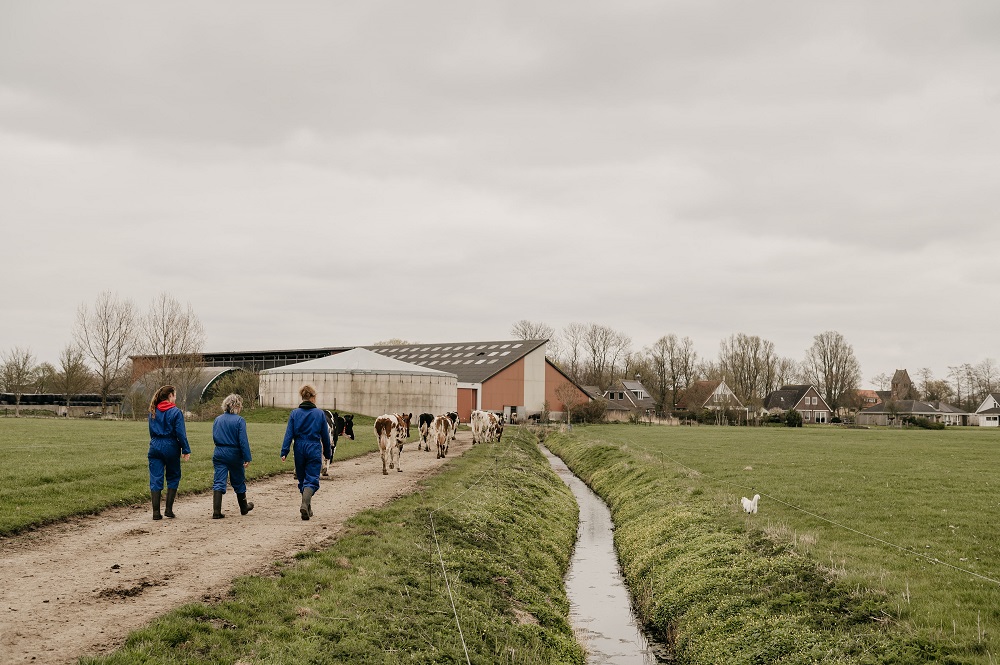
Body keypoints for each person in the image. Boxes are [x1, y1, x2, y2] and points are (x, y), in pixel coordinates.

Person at [280, 385, 331, 520]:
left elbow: (288, 434)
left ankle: (307, 509)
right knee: (312, 479)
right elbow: (325, 436)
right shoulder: (320, 414)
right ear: (313, 398)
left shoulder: (294, 414)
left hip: (299, 448)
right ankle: (304, 504)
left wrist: (284, 451)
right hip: (314, 447)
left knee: (303, 479)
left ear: (302, 398)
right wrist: (328, 454)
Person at [147, 385, 191, 520]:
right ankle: (168, 510)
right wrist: (186, 449)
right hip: (170, 445)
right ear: (170, 395)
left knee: (155, 477)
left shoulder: (153, 410)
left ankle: (155, 512)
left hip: (155, 445)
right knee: (173, 476)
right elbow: (181, 433)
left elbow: (151, 431)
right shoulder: (176, 412)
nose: (175, 398)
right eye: (175, 395)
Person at [210, 393, 254, 519]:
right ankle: (244, 507)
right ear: (236, 406)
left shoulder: (217, 419)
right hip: (234, 453)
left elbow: (215, 436)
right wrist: (247, 457)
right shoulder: (239, 421)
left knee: (219, 480)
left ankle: (216, 511)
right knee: (238, 480)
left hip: (219, 451)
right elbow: (243, 441)